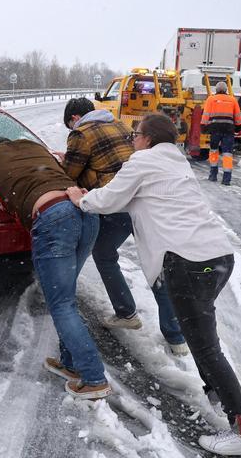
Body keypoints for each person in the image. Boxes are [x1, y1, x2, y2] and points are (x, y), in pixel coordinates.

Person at [66, 113, 241, 455]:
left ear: (147, 138)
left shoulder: (142, 162)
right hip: (217, 258)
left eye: (135, 134)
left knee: (206, 346)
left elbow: (108, 200)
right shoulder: (176, 163)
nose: (132, 140)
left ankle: (240, 428)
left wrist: (80, 197)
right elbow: (129, 200)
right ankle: (216, 393)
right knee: (203, 336)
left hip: (188, 262)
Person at [0, 137, 110, 400]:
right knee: (66, 297)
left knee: (61, 303)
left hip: (54, 217)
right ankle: (70, 363)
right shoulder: (37, 148)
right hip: (86, 212)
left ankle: (94, 378)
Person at [62, 98, 188, 356]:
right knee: (156, 263)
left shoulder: (81, 134)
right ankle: (175, 336)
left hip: (116, 202)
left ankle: (126, 311)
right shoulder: (119, 125)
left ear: (75, 118)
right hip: (142, 200)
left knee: (104, 254)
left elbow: (69, 172)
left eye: (69, 124)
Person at [201, 81, 241, 186]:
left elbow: (206, 115)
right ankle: (226, 179)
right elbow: (238, 116)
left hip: (215, 130)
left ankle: (213, 175)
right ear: (226, 90)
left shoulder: (211, 99)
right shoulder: (232, 100)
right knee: (227, 154)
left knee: (214, 151)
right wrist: (238, 127)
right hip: (228, 130)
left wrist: (203, 126)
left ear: (216, 89)